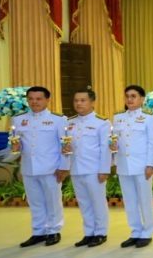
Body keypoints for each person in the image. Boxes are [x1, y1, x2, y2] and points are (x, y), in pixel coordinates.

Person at [16, 86, 69, 247]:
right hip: (29, 168)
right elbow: (16, 144)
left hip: (51, 168)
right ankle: (38, 232)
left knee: (53, 201)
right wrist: (15, 148)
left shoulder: (58, 119)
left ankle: (53, 230)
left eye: (38, 99)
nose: (34, 102)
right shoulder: (18, 119)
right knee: (35, 202)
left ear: (47, 100)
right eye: (31, 99)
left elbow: (65, 145)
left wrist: (64, 167)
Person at [113, 85, 153, 248]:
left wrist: (150, 164)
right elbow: (115, 141)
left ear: (142, 99)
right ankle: (135, 231)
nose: (129, 99)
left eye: (133, 96)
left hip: (142, 165)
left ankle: (147, 232)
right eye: (127, 96)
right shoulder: (118, 117)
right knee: (129, 201)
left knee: (144, 200)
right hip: (123, 165)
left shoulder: (149, 117)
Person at [64, 88, 112, 248]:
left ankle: (101, 233)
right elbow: (66, 145)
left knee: (98, 202)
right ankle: (89, 232)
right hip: (76, 168)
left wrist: (104, 170)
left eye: (83, 100)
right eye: (76, 100)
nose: (79, 103)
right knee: (84, 203)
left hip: (94, 169)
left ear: (92, 102)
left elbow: (105, 148)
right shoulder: (69, 122)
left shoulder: (102, 123)